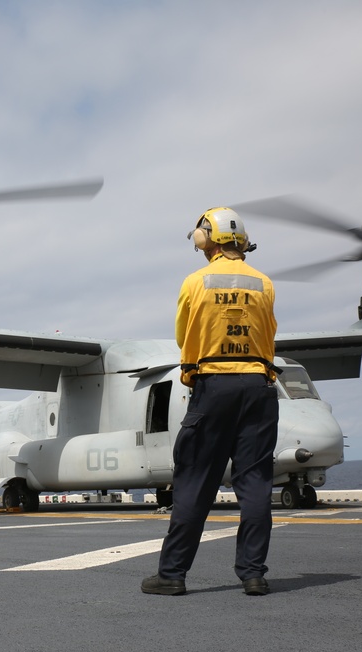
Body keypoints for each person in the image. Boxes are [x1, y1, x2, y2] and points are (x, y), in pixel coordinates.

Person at [141, 207, 279, 597]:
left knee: (194, 482)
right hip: (259, 386)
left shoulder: (195, 282)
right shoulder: (264, 284)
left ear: (206, 238)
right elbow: (269, 332)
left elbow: (185, 335)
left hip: (213, 386)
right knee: (255, 483)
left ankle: (172, 575)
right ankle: (253, 574)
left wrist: (192, 370)